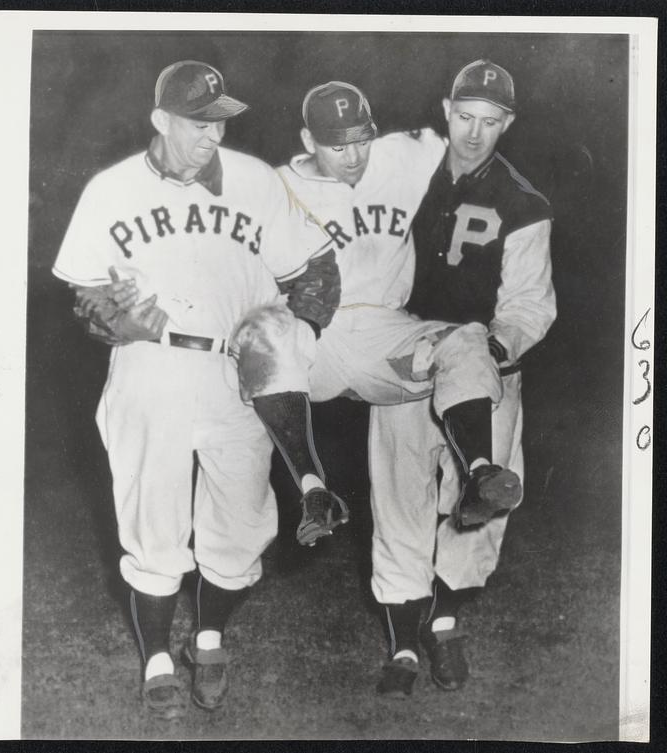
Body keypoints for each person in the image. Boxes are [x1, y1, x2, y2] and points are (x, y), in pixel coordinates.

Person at [51, 60, 336, 719]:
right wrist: (110, 320)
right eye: (199, 122)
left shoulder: (257, 182)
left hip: (235, 371)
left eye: (221, 121)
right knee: (151, 521)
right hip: (149, 368)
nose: (214, 134)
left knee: (240, 523)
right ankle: (155, 654)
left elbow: (316, 268)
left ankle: (209, 638)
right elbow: (84, 291)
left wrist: (293, 342)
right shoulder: (110, 188)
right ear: (161, 120)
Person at [233, 80, 521, 565]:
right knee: (263, 331)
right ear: (308, 141)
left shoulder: (405, 155)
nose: (353, 157)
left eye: (362, 140)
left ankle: (479, 473)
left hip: (386, 332)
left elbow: (473, 137)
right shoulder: (275, 184)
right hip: (312, 334)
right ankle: (314, 491)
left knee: (467, 339)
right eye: (337, 145)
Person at [370, 60, 556, 696]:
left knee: (475, 508)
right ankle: (401, 647)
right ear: (445, 108)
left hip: (484, 371)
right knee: (398, 498)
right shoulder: (404, 176)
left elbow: (529, 303)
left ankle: (443, 624)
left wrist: (481, 350)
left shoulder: (524, 202)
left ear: (508, 123)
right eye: (464, 117)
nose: (474, 134)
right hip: (405, 356)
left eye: (490, 122)